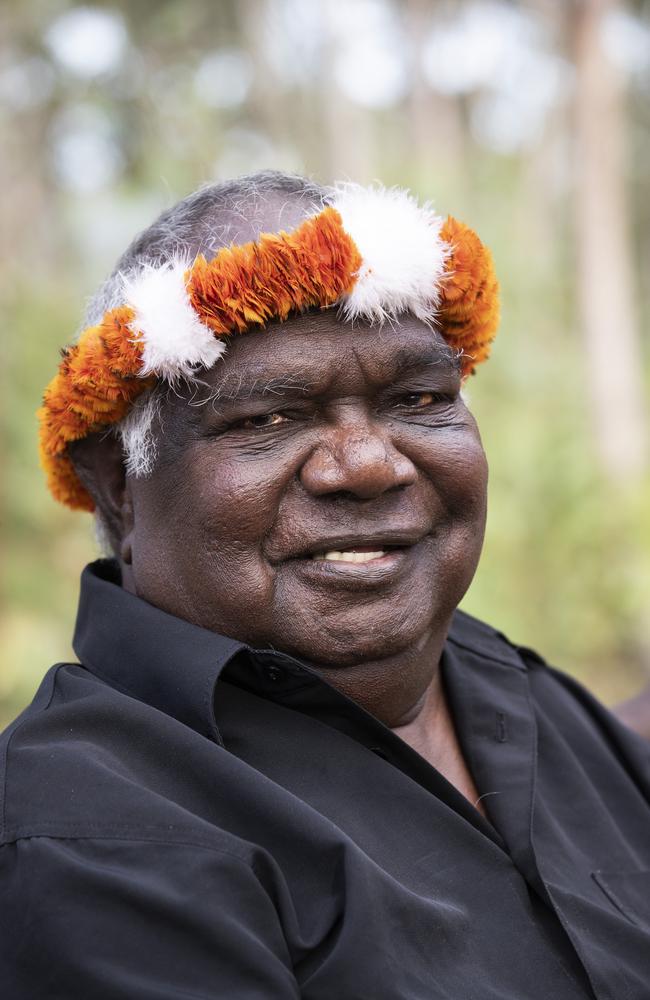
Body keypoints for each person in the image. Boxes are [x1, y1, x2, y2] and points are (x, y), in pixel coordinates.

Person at [1, 171, 648, 999]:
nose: (369, 464)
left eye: (418, 398)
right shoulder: (88, 840)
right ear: (120, 488)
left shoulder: (507, 686)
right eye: (267, 418)